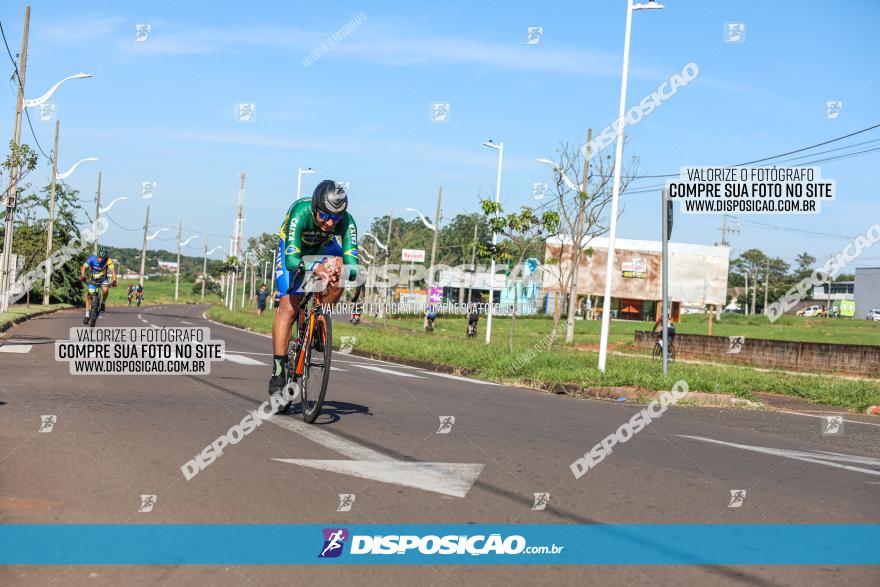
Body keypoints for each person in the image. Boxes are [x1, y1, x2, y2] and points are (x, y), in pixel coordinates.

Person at [268, 180, 359, 397]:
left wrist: (351, 274)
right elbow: (291, 260)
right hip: (294, 251)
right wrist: (314, 267)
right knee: (289, 308)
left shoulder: (346, 221)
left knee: (340, 268)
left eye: (335, 217)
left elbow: (351, 260)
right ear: (315, 208)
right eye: (325, 216)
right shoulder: (300, 212)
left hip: (323, 247)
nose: (330, 222)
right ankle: (279, 370)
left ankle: (319, 318)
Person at [79, 246, 117, 324]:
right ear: (97, 256)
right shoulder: (92, 258)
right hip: (93, 279)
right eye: (99, 257)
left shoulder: (108, 260)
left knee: (105, 290)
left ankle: (103, 303)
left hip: (103, 279)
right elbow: (83, 267)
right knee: (89, 295)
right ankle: (86, 315)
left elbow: (113, 271)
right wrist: (83, 275)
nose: (100, 259)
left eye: (102, 258)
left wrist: (114, 280)